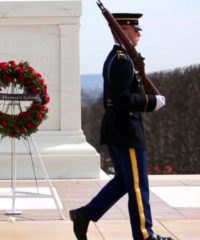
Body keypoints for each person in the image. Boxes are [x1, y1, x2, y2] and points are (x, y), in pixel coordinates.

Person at [69, 13, 173, 240]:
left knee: (123, 183)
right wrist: (151, 102)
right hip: (126, 131)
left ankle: (84, 215)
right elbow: (122, 98)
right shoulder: (122, 60)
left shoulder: (118, 58)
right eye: (135, 30)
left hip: (118, 129)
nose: (138, 34)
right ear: (122, 31)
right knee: (138, 186)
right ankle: (145, 236)